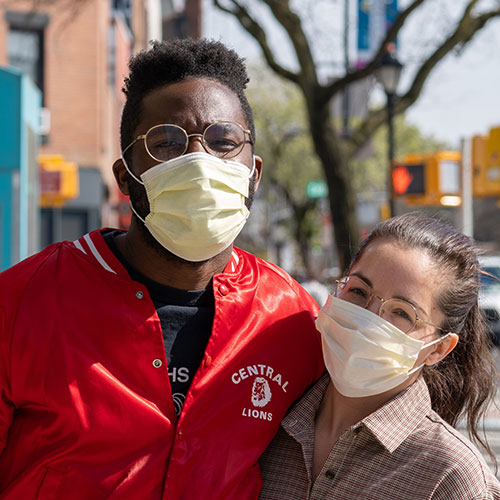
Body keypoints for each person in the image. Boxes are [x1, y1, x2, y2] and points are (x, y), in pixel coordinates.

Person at [0, 39, 324, 500]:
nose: (199, 162)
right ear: (125, 177)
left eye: (224, 142)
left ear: (253, 172)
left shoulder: (289, 318)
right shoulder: (21, 302)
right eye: (167, 143)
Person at [259, 212, 500, 500]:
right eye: (359, 291)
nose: (366, 318)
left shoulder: (449, 476)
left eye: (402, 313)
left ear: (438, 348)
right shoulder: (265, 420)